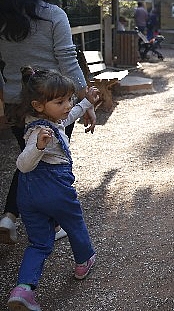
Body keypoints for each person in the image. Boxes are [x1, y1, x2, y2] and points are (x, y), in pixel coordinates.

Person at [0, 0, 96, 245]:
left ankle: (9, 217)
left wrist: (4, 96)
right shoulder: (53, 15)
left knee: (30, 155)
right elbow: (67, 60)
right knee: (50, 161)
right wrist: (84, 99)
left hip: (18, 100)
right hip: (55, 101)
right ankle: (50, 224)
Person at [7, 67, 99, 311]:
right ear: (38, 105)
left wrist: (86, 102)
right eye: (61, 101)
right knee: (74, 223)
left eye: (69, 99)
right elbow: (23, 165)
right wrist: (37, 146)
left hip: (28, 195)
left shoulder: (45, 119)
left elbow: (68, 117)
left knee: (38, 243)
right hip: (54, 187)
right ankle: (83, 261)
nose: (68, 105)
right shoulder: (39, 131)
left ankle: (23, 289)